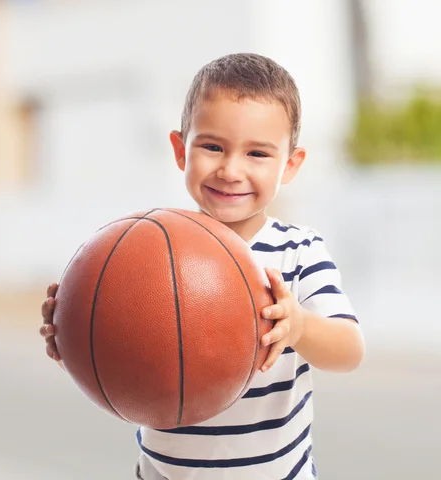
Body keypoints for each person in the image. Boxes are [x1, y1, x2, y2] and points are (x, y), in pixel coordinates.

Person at [40, 53, 365, 479]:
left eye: (257, 154)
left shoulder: (298, 252)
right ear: (180, 150)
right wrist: (79, 336)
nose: (231, 170)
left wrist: (300, 327)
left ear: (290, 165)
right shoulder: (146, 251)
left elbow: (349, 350)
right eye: (212, 147)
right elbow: (127, 363)